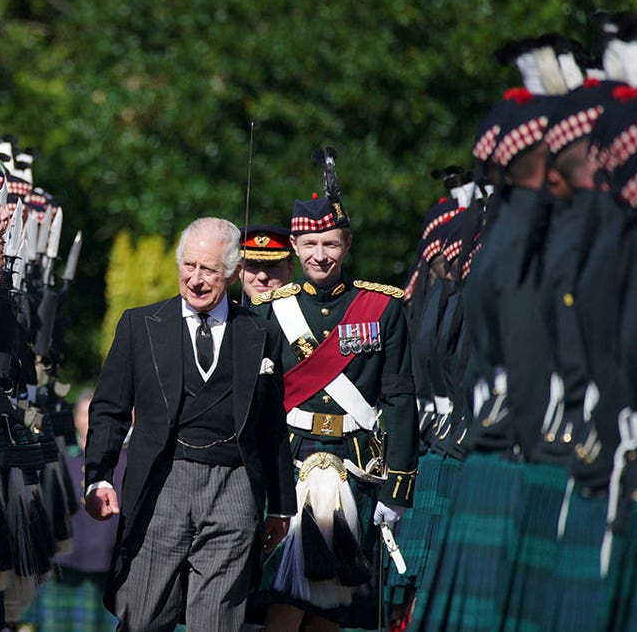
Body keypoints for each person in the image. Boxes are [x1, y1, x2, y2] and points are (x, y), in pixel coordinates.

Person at [84, 216, 295, 632]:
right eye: (189, 266)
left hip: (234, 486)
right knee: (142, 616)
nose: (196, 280)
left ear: (233, 273)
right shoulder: (140, 325)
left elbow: (271, 425)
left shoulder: (260, 333)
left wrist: (280, 505)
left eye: (209, 270)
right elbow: (108, 408)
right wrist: (99, 478)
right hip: (162, 482)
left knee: (217, 622)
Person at [257, 154, 417, 632]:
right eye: (309, 244)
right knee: (282, 599)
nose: (319, 255)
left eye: (330, 243)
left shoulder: (382, 308)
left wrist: (398, 487)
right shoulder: (272, 311)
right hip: (288, 465)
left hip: (356, 465)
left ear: (346, 244)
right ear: (295, 246)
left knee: (333, 607)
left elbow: (400, 398)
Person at [21, 388, 127, 632]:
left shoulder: (124, 459)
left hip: (108, 564)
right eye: (85, 414)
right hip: (64, 562)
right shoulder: (59, 458)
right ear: (75, 419)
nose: (90, 421)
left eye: (96, 414)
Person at [238, 224, 294, 307]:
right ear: (238, 270)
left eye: (271, 266)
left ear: (290, 269)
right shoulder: (225, 318)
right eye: (253, 266)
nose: (262, 277)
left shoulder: (303, 316)